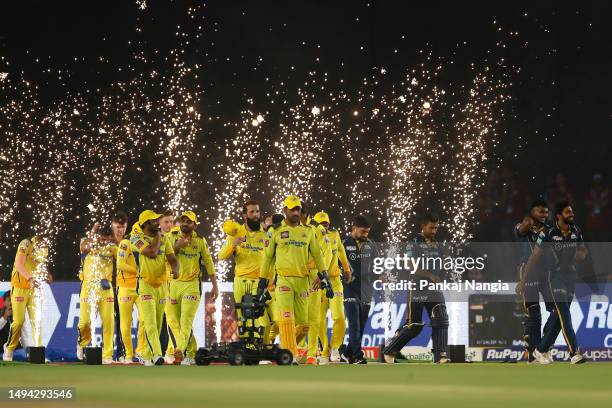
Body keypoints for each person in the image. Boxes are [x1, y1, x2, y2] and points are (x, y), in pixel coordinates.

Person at [258, 195, 328, 365]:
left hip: (303, 282)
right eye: (292, 209)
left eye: (298, 209)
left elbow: (318, 255)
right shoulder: (275, 231)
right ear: (285, 210)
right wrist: (262, 280)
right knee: (286, 318)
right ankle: (290, 355)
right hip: (283, 280)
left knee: (304, 325)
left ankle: (285, 349)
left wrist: (324, 274)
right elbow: (267, 258)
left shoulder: (308, 231)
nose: (296, 212)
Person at [518, 201, 588, 364]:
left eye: (572, 212)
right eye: (568, 212)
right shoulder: (548, 233)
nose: (572, 215)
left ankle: (541, 349)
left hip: (571, 277)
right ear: (559, 215)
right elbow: (534, 256)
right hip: (554, 277)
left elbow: (583, 249)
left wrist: (581, 255)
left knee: (558, 315)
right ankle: (574, 353)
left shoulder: (576, 230)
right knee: (564, 313)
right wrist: (523, 279)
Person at [382, 213, 450, 364]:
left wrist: (442, 275)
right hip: (417, 288)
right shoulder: (413, 243)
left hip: (433, 289)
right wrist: (431, 276)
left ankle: (440, 356)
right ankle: (389, 351)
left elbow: (443, 264)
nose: (434, 231)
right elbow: (410, 266)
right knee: (415, 325)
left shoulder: (437, 244)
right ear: (423, 227)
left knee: (441, 317)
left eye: (436, 228)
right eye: (431, 228)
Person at [218, 200, 275, 347]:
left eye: (257, 211)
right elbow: (221, 256)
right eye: (252, 212)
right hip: (241, 282)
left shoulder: (266, 233)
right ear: (244, 215)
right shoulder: (236, 233)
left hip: (261, 283)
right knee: (245, 320)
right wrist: (233, 244)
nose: (256, 215)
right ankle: (250, 352)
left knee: (266, 322)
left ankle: (263, 349)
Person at [166, 211, 217, 365]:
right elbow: (164, 257)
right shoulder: (171, 237)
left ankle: (179, 350)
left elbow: (208, 262)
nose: (185, 223)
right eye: (183, 221)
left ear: (195, 225)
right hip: (173, 284)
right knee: (176, 322)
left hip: (192, 285)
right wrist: (177, 246)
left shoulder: (200, 241)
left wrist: (215, 285)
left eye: (189, 221)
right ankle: (192, 351)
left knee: (186, 321)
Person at [130, 210, 179, 366]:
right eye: (153, 221)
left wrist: (175, 269)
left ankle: (146, 354)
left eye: (157, 220)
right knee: (150, 321)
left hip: (162, 286)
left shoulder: (164, 239)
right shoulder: (136, 238)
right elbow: (152, 252)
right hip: (145, 285)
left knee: (158, 323)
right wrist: (158, 237)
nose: (157, 223)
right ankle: (158, 355)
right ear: (145, 224)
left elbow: (172, 258)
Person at [3, 236, 51, 362]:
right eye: (41, 242)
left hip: (34, 289)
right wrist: (30, 278)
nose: (43, 245)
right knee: (18, 321)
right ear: (36, 239)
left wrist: (46, 275)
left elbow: (40, 266)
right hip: (19, 287)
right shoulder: (25, 244)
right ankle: (9, 348)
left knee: (37, 321)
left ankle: (38, 353)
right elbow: (19, 265)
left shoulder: (44, 248)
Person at [77, 222, 119, 364]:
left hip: (106, 289)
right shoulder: (88, 242)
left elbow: (123, 254)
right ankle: (82, 344)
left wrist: (114, 239)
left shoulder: (112, 248)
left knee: (108, 322)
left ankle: (107, 355)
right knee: (84, 322)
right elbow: (84, 247)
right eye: (102, 239)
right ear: (97, 236)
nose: (104, 242)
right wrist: (93, 231)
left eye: (107, 239)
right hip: (88, 287)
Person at [513, 200, 549, 363]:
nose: (544, 215)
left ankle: (544, 346)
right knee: (534, 313)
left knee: (558, 310)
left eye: (546, 212)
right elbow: (524, 226)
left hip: (548, 273)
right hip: (529, 273)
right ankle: (534, 353)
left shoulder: (548, 230)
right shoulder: (522, 228)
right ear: (531, 212)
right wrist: (529, 220)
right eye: (541, 211)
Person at [315, 211, 352, 365]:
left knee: (339, 317)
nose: (325, 227)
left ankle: (335, 347)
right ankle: (324, 350)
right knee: (319, 320)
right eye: (321, 224)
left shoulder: (335, 235)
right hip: (319, 282)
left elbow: (342, 252)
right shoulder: (312, 237)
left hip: (335, 280)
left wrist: (347, 269)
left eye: (327, 224)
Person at [342, 215, 374, 364]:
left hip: (367, 290)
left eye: (367, 232)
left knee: (361, 324)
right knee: (354, 323)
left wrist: (379, 276)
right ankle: (356, 356)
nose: (365, 235)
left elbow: (375, 267)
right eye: (363, 232)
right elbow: (335, 265)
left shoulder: (371, 245)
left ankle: (347, 352)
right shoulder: (342, 244)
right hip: (349, 288)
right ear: (353, 229)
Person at [116, 222, 146, 364]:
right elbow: (120, 264)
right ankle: (128, 355)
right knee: (126, 322)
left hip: (141, 288)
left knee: (145, 319)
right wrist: (139, 272)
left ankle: (140, 351)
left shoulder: (144, 243)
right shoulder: (125, 243)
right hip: (125, 287)